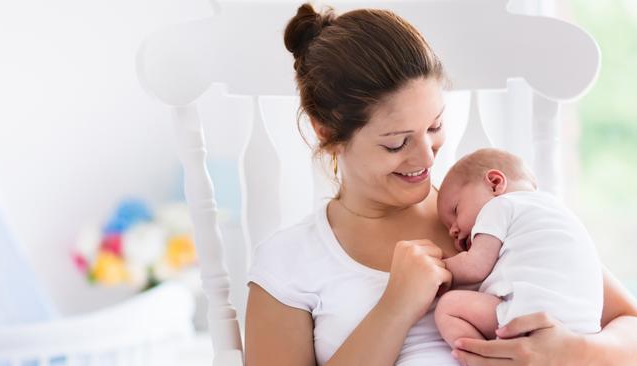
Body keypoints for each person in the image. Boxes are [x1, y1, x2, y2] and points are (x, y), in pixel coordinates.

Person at [245, 3, 637, 365]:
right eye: (397, 143)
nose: (427, 158)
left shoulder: (487, 209)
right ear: (326, 130)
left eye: (434, 126)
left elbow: (627, 322)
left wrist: (577, 351)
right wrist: (395, 307)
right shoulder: (288, 264)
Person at [433, 148, 603, 350]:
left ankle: (486, 358)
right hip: (581, 329)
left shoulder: (499, 206)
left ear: (495, 184)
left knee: (449, 307)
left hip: (529, 318)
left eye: (455, 210)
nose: (452, 230)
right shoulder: (557, 211)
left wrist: (435, 268)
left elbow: (475, 266)